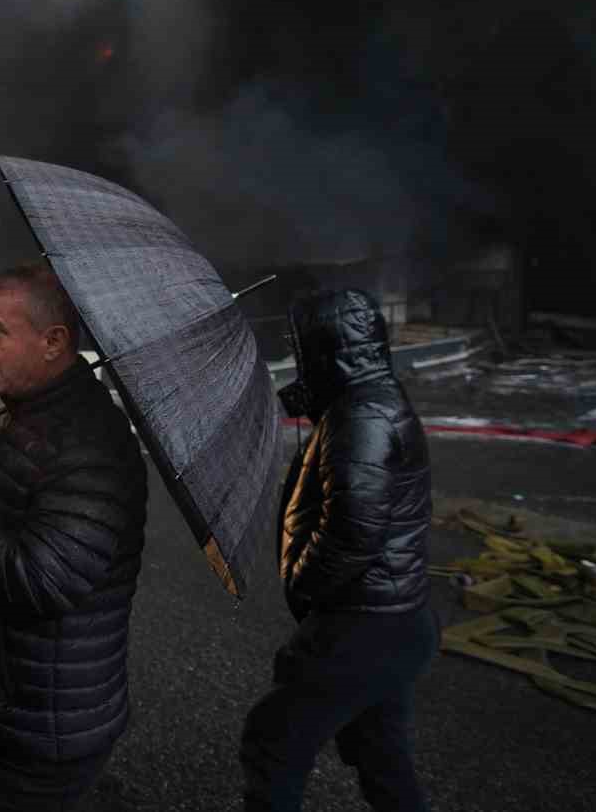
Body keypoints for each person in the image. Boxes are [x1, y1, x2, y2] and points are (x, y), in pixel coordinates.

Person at [0, 263, 146, 811]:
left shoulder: (89, 443)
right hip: (20, 704)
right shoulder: (36, 413)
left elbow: (42, 578)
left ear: (53, 342)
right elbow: (25, 496)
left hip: (46, 728)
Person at [240, 288, 435, 812]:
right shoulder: (364, 402)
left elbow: (351, 535)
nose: (298, 357)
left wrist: (300, 584)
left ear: (327, 350)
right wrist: (295, 400)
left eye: (303, 349)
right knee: (380, 754)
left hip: (361, 624)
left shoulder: (362, 418)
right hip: (393, 619)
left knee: (272, 741)